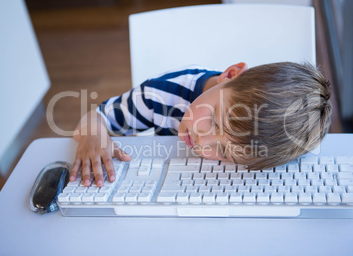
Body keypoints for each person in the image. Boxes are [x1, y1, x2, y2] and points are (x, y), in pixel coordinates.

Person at [70, 62, 332, 187]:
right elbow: (98, 116)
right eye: (215, 121)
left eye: (225, 152)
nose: (203, 143)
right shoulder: (159, 95)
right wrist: (94, 135)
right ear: (230, 75)